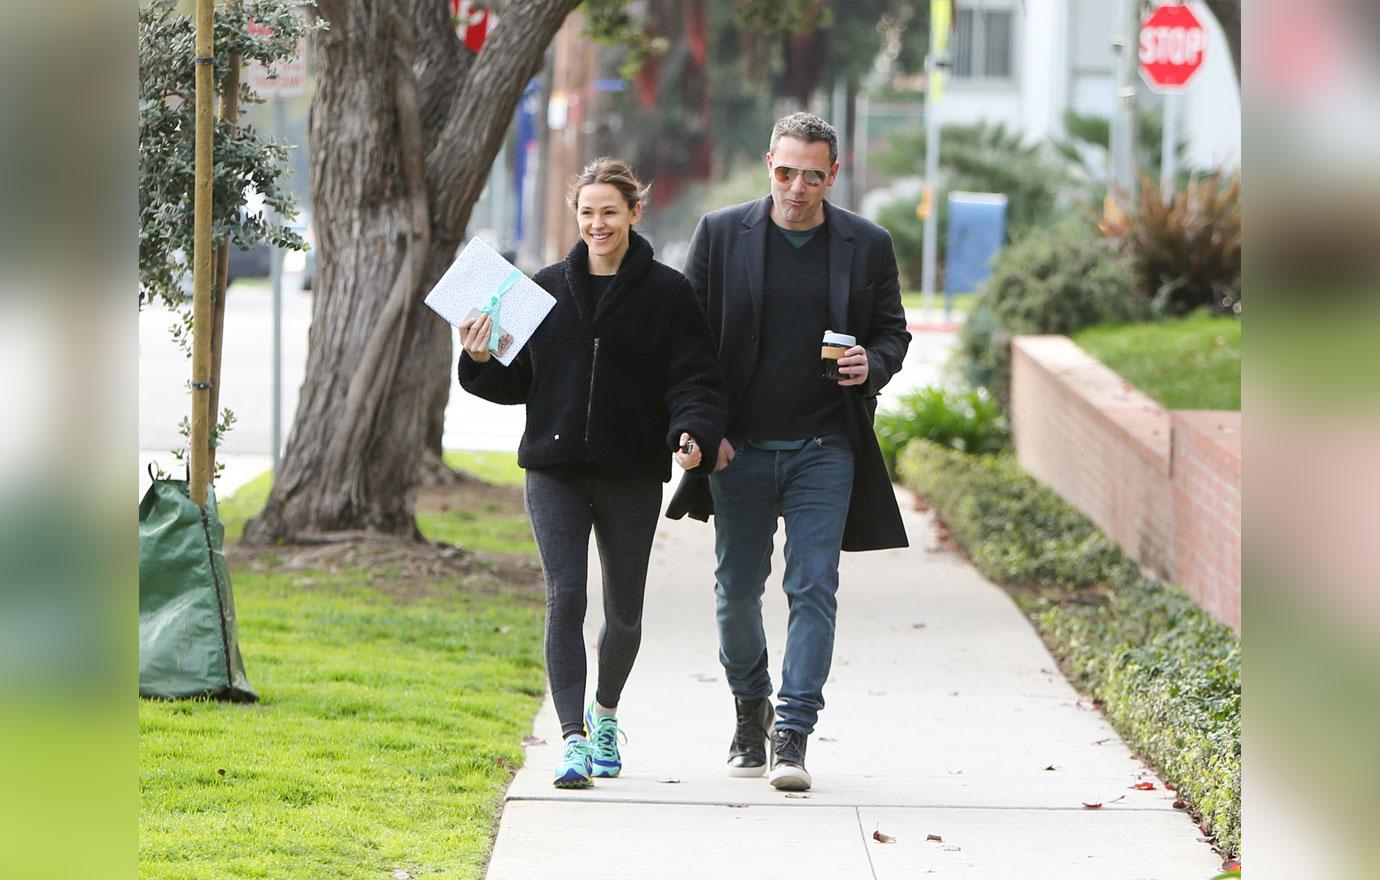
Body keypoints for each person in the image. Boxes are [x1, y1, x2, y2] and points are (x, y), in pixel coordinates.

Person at [457, 158, 725, 789]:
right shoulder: (542, 290)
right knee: (566, 598)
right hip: (554, 471)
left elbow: (695, 379)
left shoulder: (668, 294)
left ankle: (606, 714)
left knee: (624, 612)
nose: (597, 224)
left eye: (609, 211)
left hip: (630, 472)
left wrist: (691, 434)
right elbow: (514, 381)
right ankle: (573, 738)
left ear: (635, 212)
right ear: (574, 217)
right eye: (586, 213)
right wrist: (478, 357)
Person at [667, 112, 911, 792]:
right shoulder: (721, 235)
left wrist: (875, 361)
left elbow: (893, 334)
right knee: (736, 592)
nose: (796, 188)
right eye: (784, 172)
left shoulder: (867, 244)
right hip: (736, 452)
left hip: (825, 447)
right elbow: (687, 343)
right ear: (766, 163)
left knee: (813, 586)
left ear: (834, 174)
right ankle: (753, 706)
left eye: (812, 175)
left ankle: (794, 732)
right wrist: (699, 429)